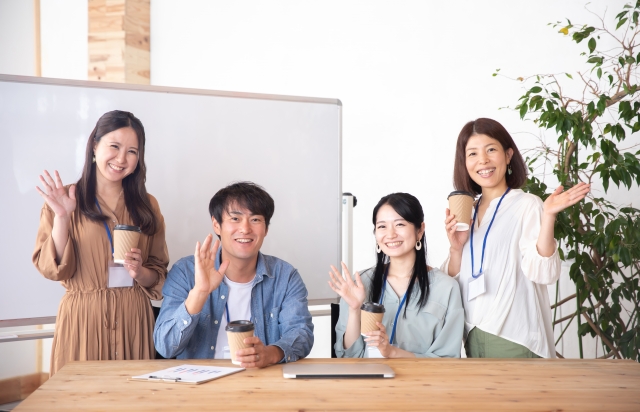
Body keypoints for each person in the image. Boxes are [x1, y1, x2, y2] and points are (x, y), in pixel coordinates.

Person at [33, 110, 169, 376]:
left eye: (132, 151)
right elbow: (54, 269)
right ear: (95, 146)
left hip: (134, 317)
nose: (121, 159)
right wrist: (62, 217)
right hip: (84, 318)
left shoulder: (147, 205)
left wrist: (140, 272)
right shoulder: (64, 199)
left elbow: (159, 273)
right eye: (114, 146)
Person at [443, 118, 590, 358]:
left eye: (491, 149)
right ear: (464, 161)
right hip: (471, 336)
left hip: (514, 335)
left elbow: (543, 272)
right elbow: (453, 284)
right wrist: (456, 248)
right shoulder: (466, 211)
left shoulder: (526, 204)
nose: (483, 160)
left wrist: (549, 215)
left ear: (508, 155)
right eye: (473, 153)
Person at [154, 182, 314, 367]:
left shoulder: (285, 276)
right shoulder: (186, 271)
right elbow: (165, 347)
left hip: (262, 384)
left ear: (266, 228)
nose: (245, 229)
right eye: (235, 219)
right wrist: (199, 292)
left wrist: (269, 354)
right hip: (201, 387)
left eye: (255, 220)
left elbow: (301, 334)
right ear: (216, 224)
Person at [330, 193, 464, 358]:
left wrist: (392, 352)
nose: (391, 234)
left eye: (400, 224)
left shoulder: (446, 288)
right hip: (368, 381)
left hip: (422, 382)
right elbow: (348, 357)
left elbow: (448, 359)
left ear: (420, 230)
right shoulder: (360, 284)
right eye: (382, 226)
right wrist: (354, 310)